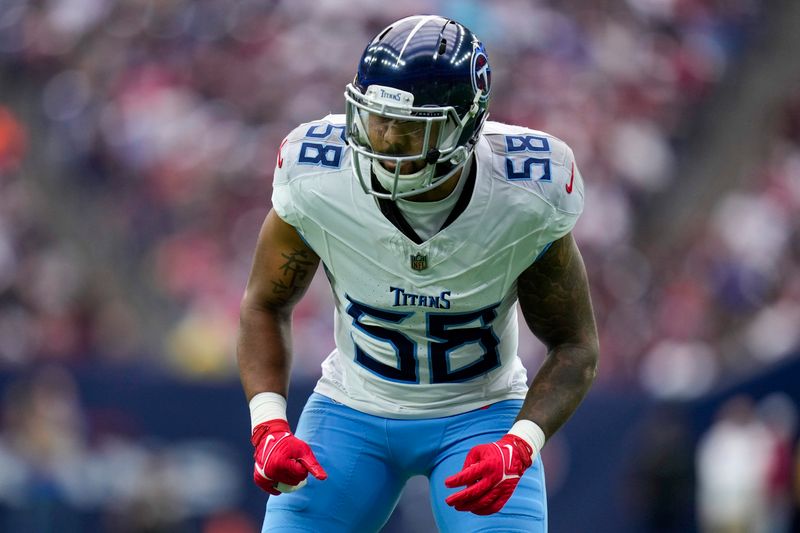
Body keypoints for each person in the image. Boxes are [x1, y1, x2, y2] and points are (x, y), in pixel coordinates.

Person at [237, 15, 599, 532]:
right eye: (374, 119)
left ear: (465, 125)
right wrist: (269, 425)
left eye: (408, 128)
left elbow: (575, 344)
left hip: (481, 414)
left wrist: (520, 444)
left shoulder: (525, 196)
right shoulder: (318, 176)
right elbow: (264, 303)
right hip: (352, 408)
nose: (382, 141)